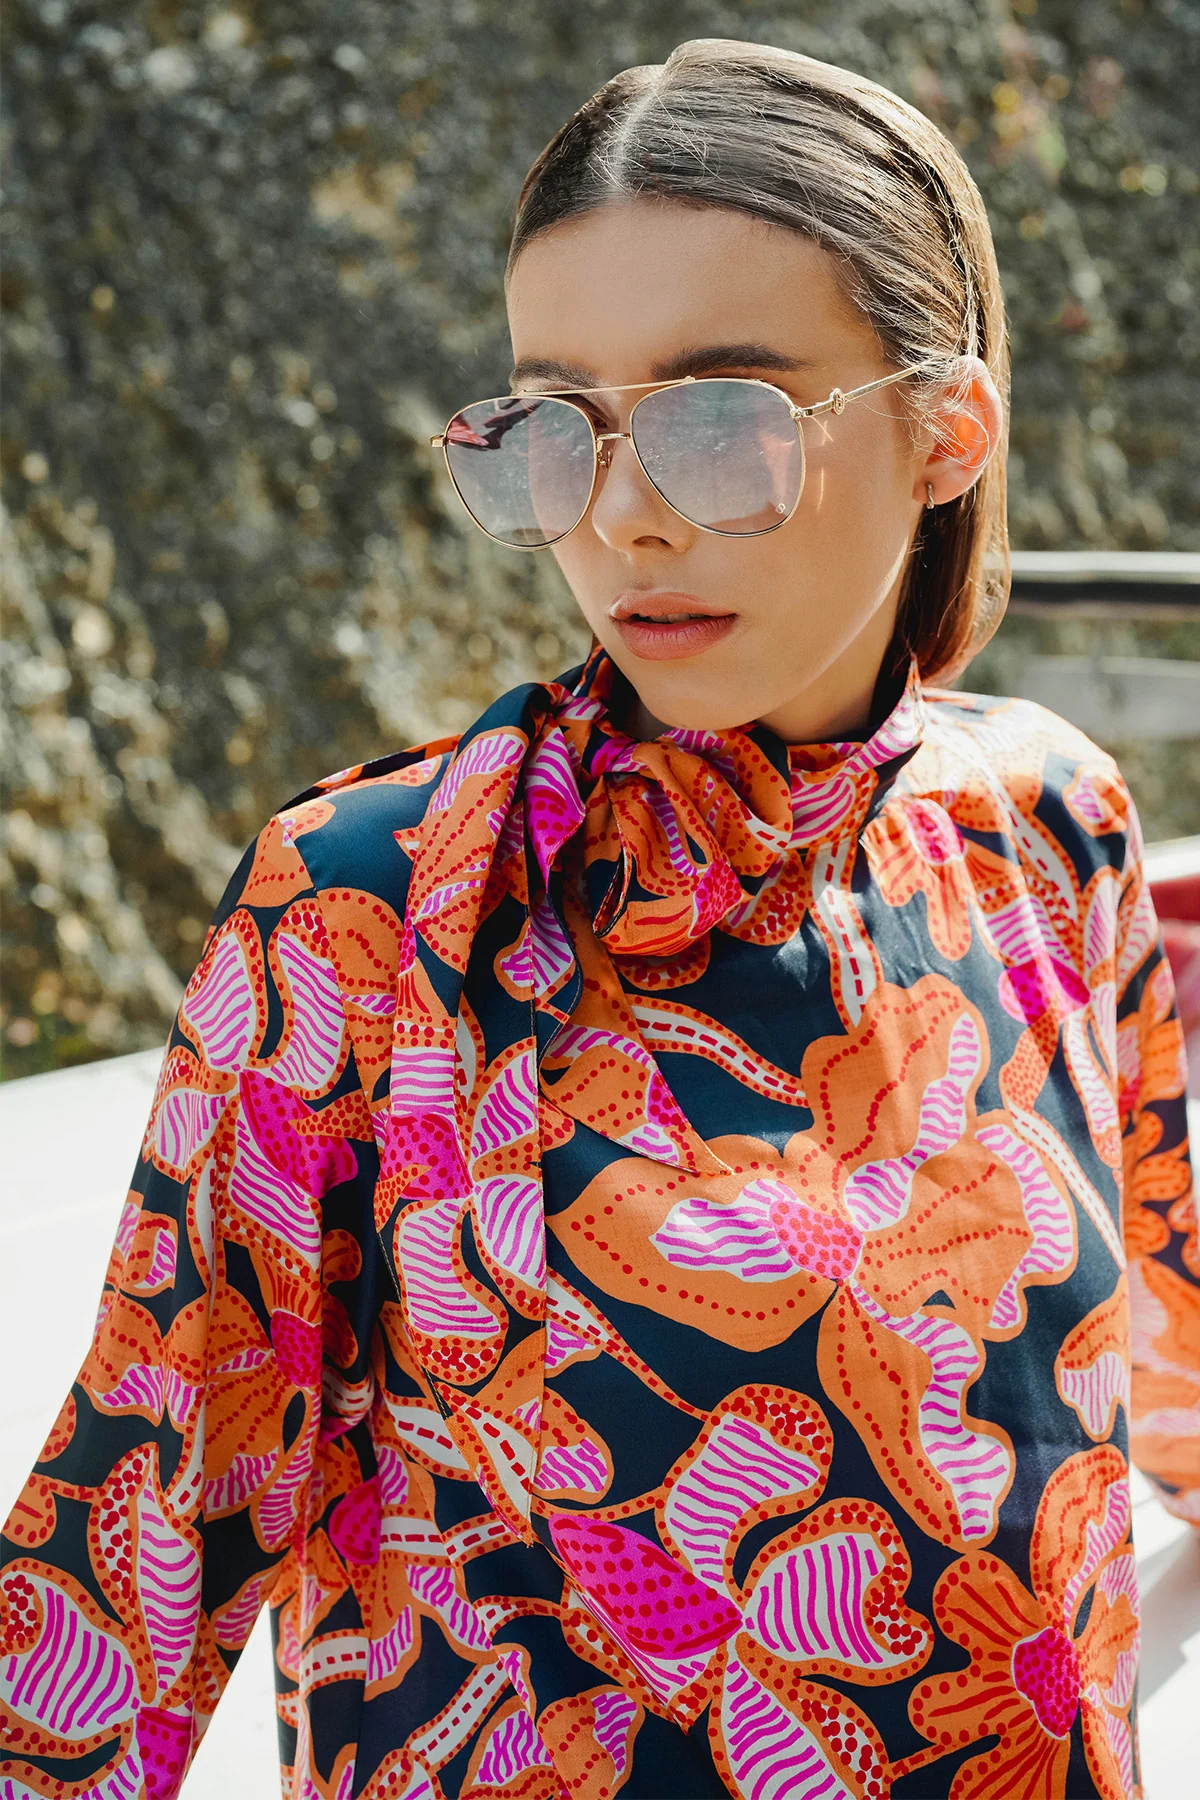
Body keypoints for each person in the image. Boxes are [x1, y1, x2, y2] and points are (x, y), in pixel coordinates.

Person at [3, 37, 1197, 1800]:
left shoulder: (1046, 824)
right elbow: (128, 1561)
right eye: (554, 427)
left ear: (948, 431)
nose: (622, 518)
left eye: (721, 419)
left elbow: (1164, 1349)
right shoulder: (367, 909)